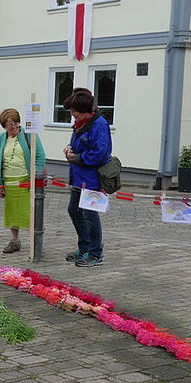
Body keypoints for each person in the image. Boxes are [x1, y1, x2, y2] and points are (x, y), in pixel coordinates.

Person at [63, 87, 111, 267]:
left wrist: (78, 157)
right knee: (74, 210)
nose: (73, 115)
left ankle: (95, 253)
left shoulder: (99, 124)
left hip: (91, 178)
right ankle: (84, 248)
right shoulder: (80, 124)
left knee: (89, 214)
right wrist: (69, 148)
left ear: (85, 110)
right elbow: (76, 143)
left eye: (75, 113)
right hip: (77, 176)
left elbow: (100, 153)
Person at [0, 108, 46, 253]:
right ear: (4, 126)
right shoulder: (0, 139)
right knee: (12, 213)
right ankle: (15, 241)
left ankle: (35, 242)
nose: (14, 126)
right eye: (10, 124)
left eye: (16, 122)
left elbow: (40, 157)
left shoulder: (29, 135)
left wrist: (36, 177)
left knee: (28, 212)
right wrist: (0, 183)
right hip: (9, 181)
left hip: (25, 180)